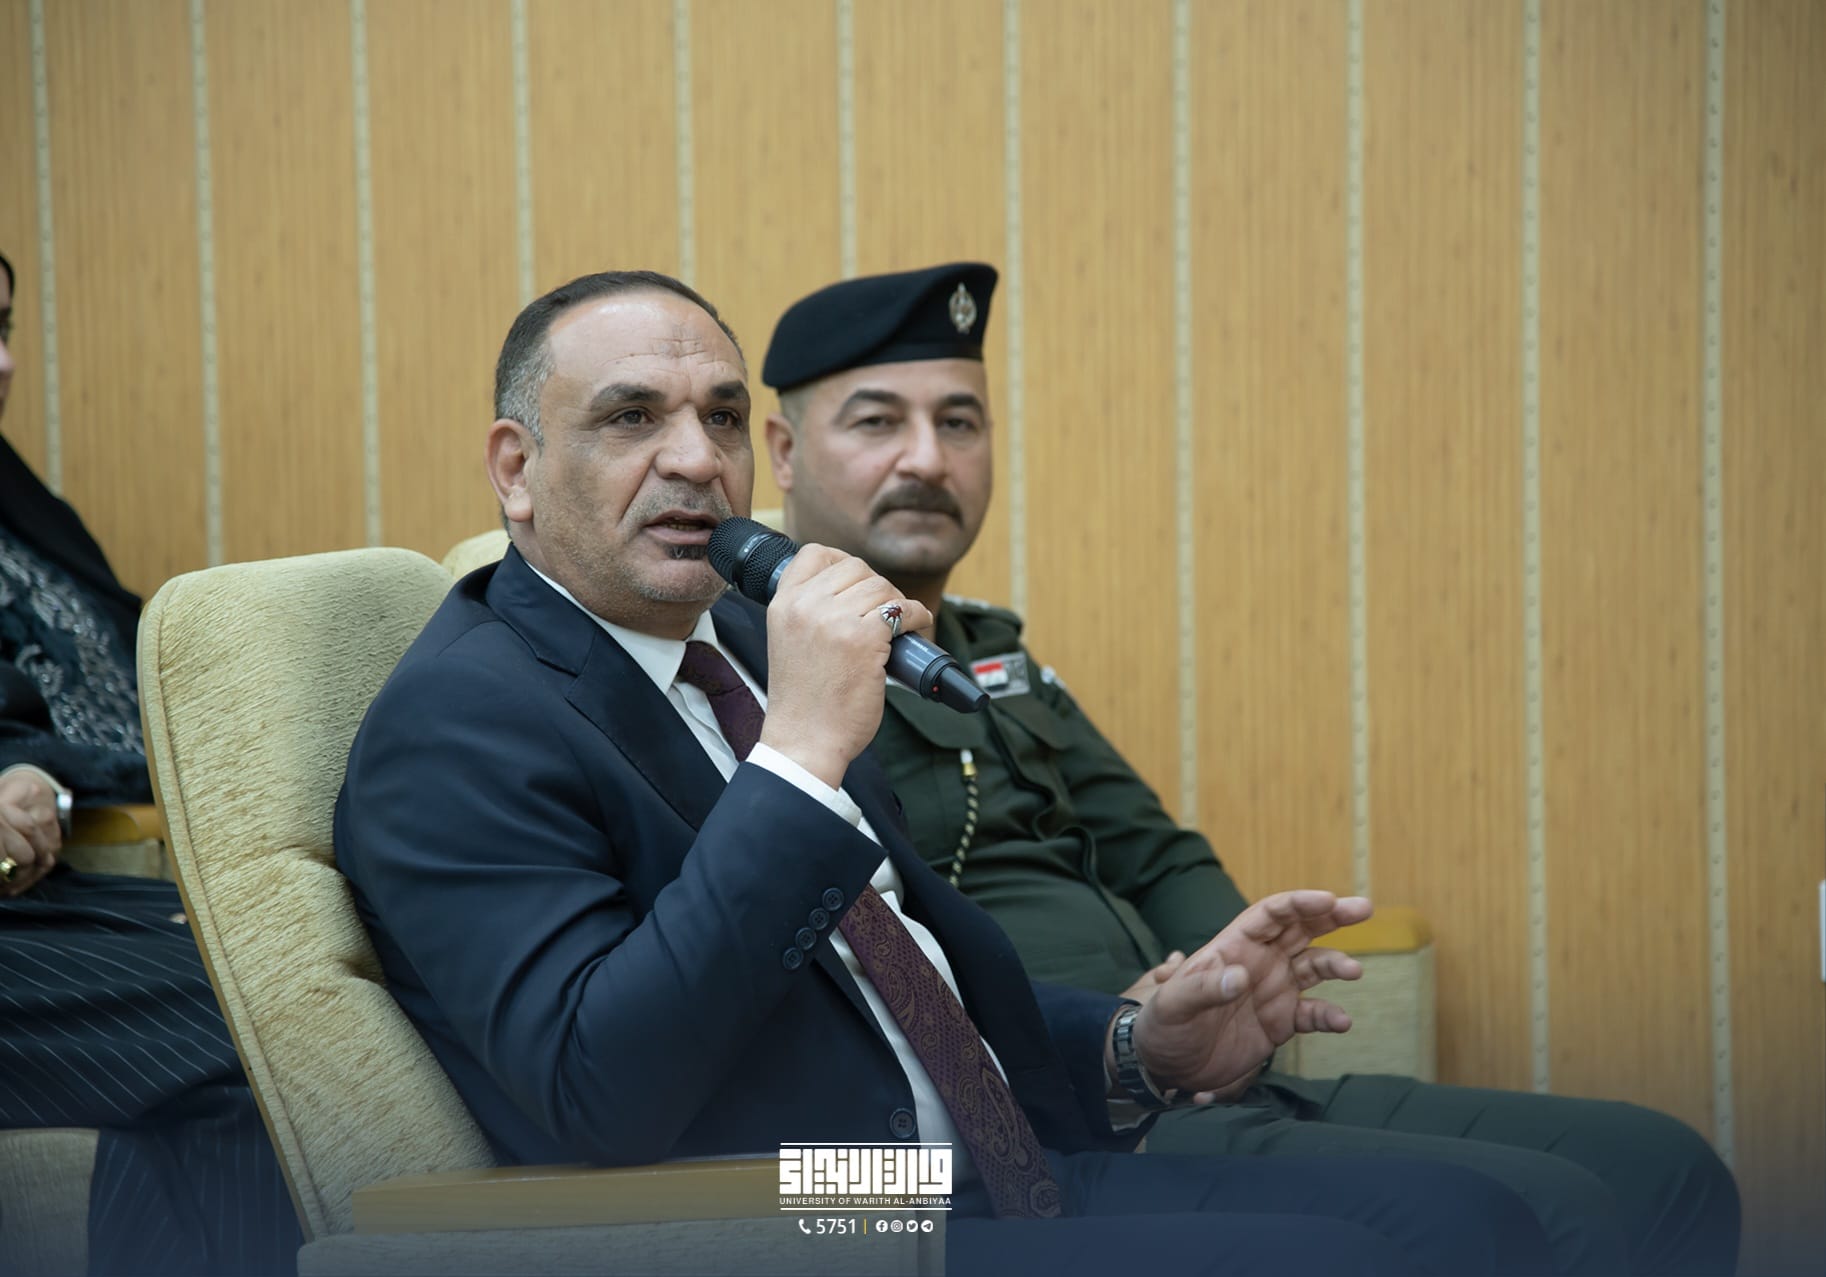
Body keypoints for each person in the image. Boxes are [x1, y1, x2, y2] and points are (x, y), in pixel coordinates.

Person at [334, 267, 1564, 1277]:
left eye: (720, 415)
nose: (697, 460)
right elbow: (601, 1089)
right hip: (806, 1213)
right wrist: (799, 754)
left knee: (1470, 1222)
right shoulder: (460, 721)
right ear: (515, 468)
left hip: (982, 1165)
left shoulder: (748, 641)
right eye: (630, 417)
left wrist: (1138, 1049)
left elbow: (899, 972)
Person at [760, 262, 1742, 1277]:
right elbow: (825, 968)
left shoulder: (994, 656)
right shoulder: (766, 677)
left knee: (1667, 1166)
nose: (927, 457)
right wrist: (1115, 1035)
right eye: (878, 422)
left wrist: (1222, 988)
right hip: (1048, 1100)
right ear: (783, 452)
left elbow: (1156, 853)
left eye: (959, 422)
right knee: (1543, 1211)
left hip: (1201, 1072)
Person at [0, 249, 300, 1276]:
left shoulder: (16, 497)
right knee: (274, 1033)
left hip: (41, 888)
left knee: (306, 966)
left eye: (5, 330)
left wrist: (29, 770)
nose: (5, 363)